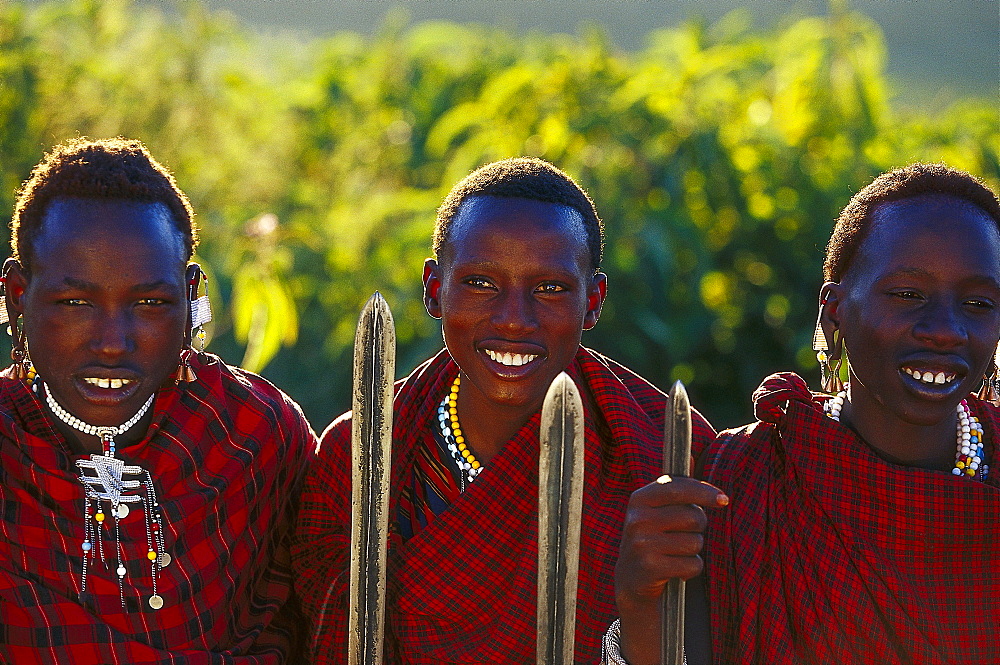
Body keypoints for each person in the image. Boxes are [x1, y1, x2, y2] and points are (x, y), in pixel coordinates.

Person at [292, 157, 719, 663]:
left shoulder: (663, 454)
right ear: (434, 289)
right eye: (480, 283)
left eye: (550, 289)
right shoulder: (358, 457)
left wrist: (638, 600)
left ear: (593, 300)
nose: (514, 319)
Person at [618, 163, 1000, 664]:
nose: (946, 330)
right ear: (833, 313)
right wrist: (638, 600)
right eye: (908, 295)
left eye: (977, 302)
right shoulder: (744, 480)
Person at [0, 138, 315, 664]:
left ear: (191, 295)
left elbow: (331, 615)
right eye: (74, 302)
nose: (111, 341)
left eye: (150, 303)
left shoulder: (250, 434)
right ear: (16, 296)